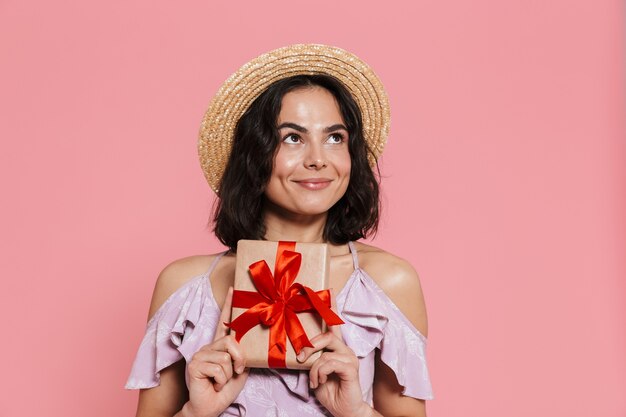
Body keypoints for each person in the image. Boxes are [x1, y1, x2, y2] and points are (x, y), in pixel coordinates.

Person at [126, 44, 433, 417]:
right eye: (293, 137)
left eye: (335, 137)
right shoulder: (184, 287)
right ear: (254, 153)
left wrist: (356, 412)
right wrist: (195, 412)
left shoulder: (388, 283)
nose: (318, 159)